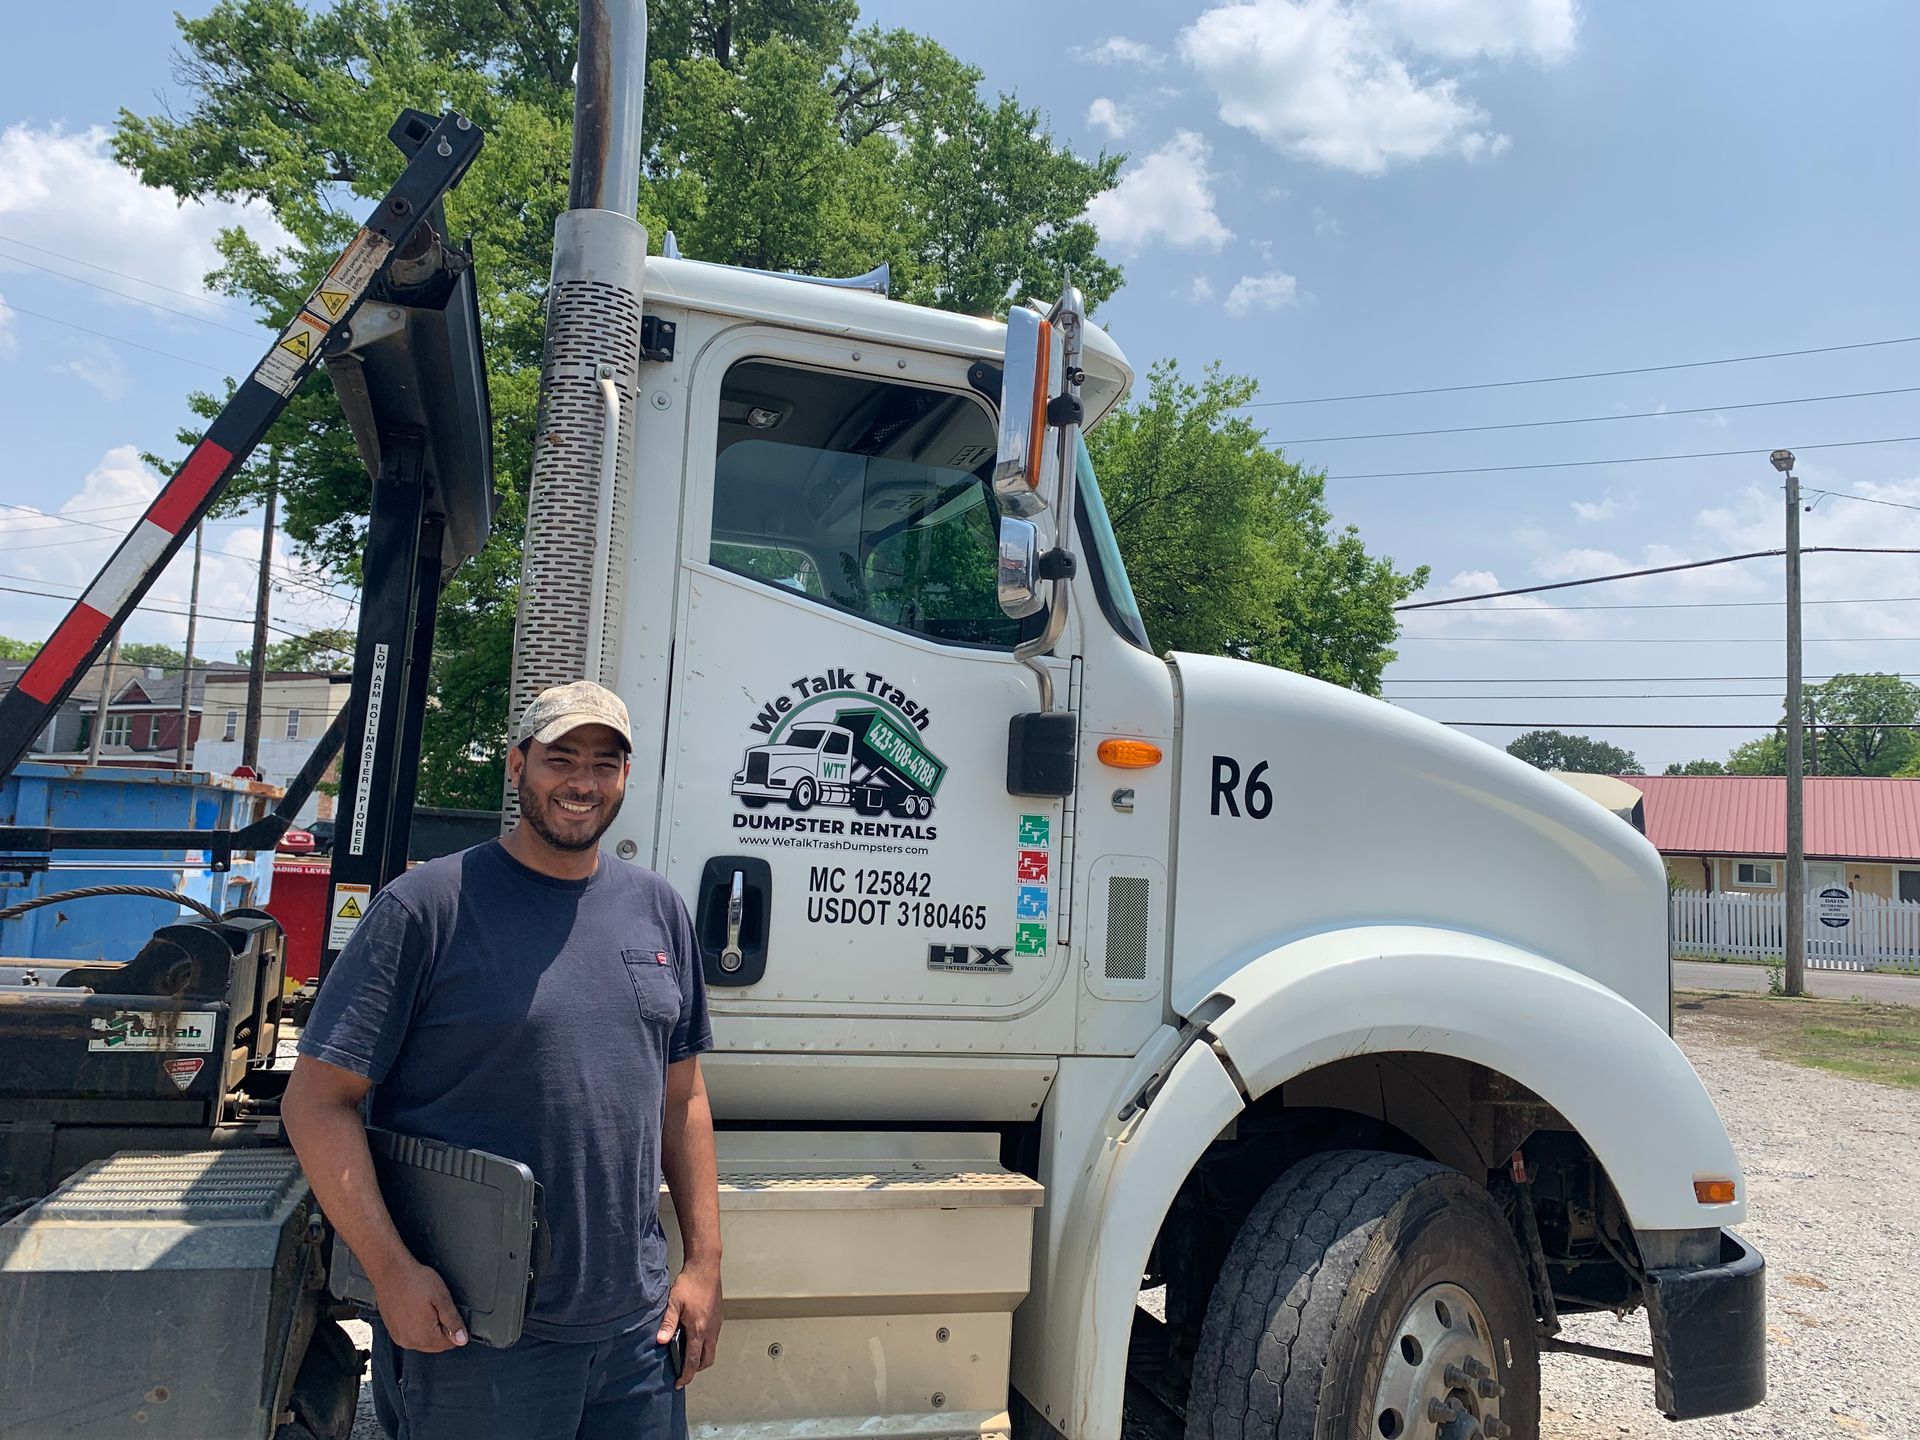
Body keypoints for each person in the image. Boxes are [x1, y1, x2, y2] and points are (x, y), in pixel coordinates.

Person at [283, 680, 721, 1440]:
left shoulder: (658, 909)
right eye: (561, 759)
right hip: (477, 1336)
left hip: (634, 1335)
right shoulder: (427, 907)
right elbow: (317, 1103)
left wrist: (704, 1265)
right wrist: (391, 1273)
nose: (583, 782)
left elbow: (681, 1100)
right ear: (516, 766)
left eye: (605, 763)